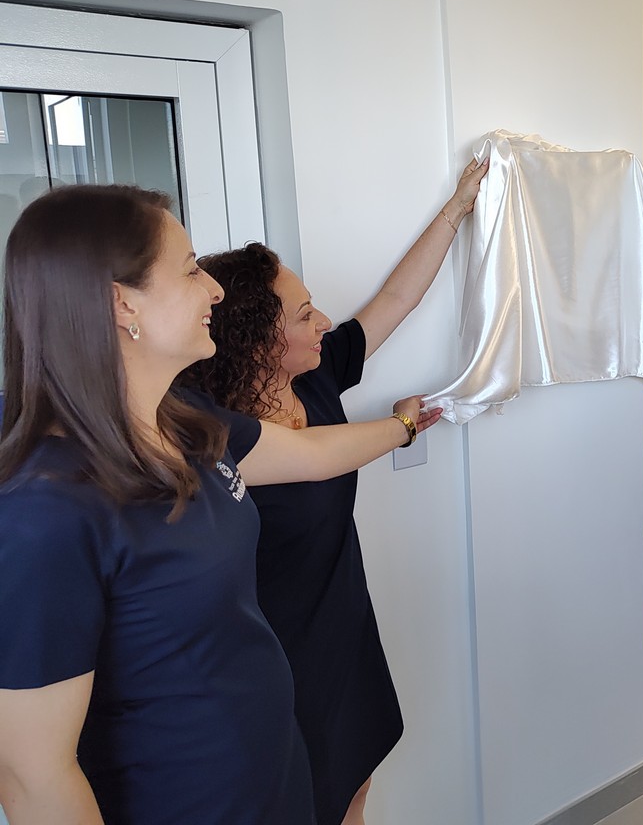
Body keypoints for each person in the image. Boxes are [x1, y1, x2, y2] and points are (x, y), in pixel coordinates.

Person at [0, 185, 439, 825]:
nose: (212, 289)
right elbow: (32, 776)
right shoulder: (45, 511)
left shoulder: (184, 425)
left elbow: (312, 454)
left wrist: (404, 428)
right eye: (189, 270)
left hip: (272, 775)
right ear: (122, 303)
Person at [180, 157, 488, 825]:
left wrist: (457, 208)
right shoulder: (205, 427)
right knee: (300, 799)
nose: (323, 321)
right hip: (269, 651)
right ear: (257, 340)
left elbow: (396, 300)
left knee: (354, 784)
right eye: (304, 314)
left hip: (343, 625)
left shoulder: (315, 379)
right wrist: (404, 427)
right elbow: (316, 460)